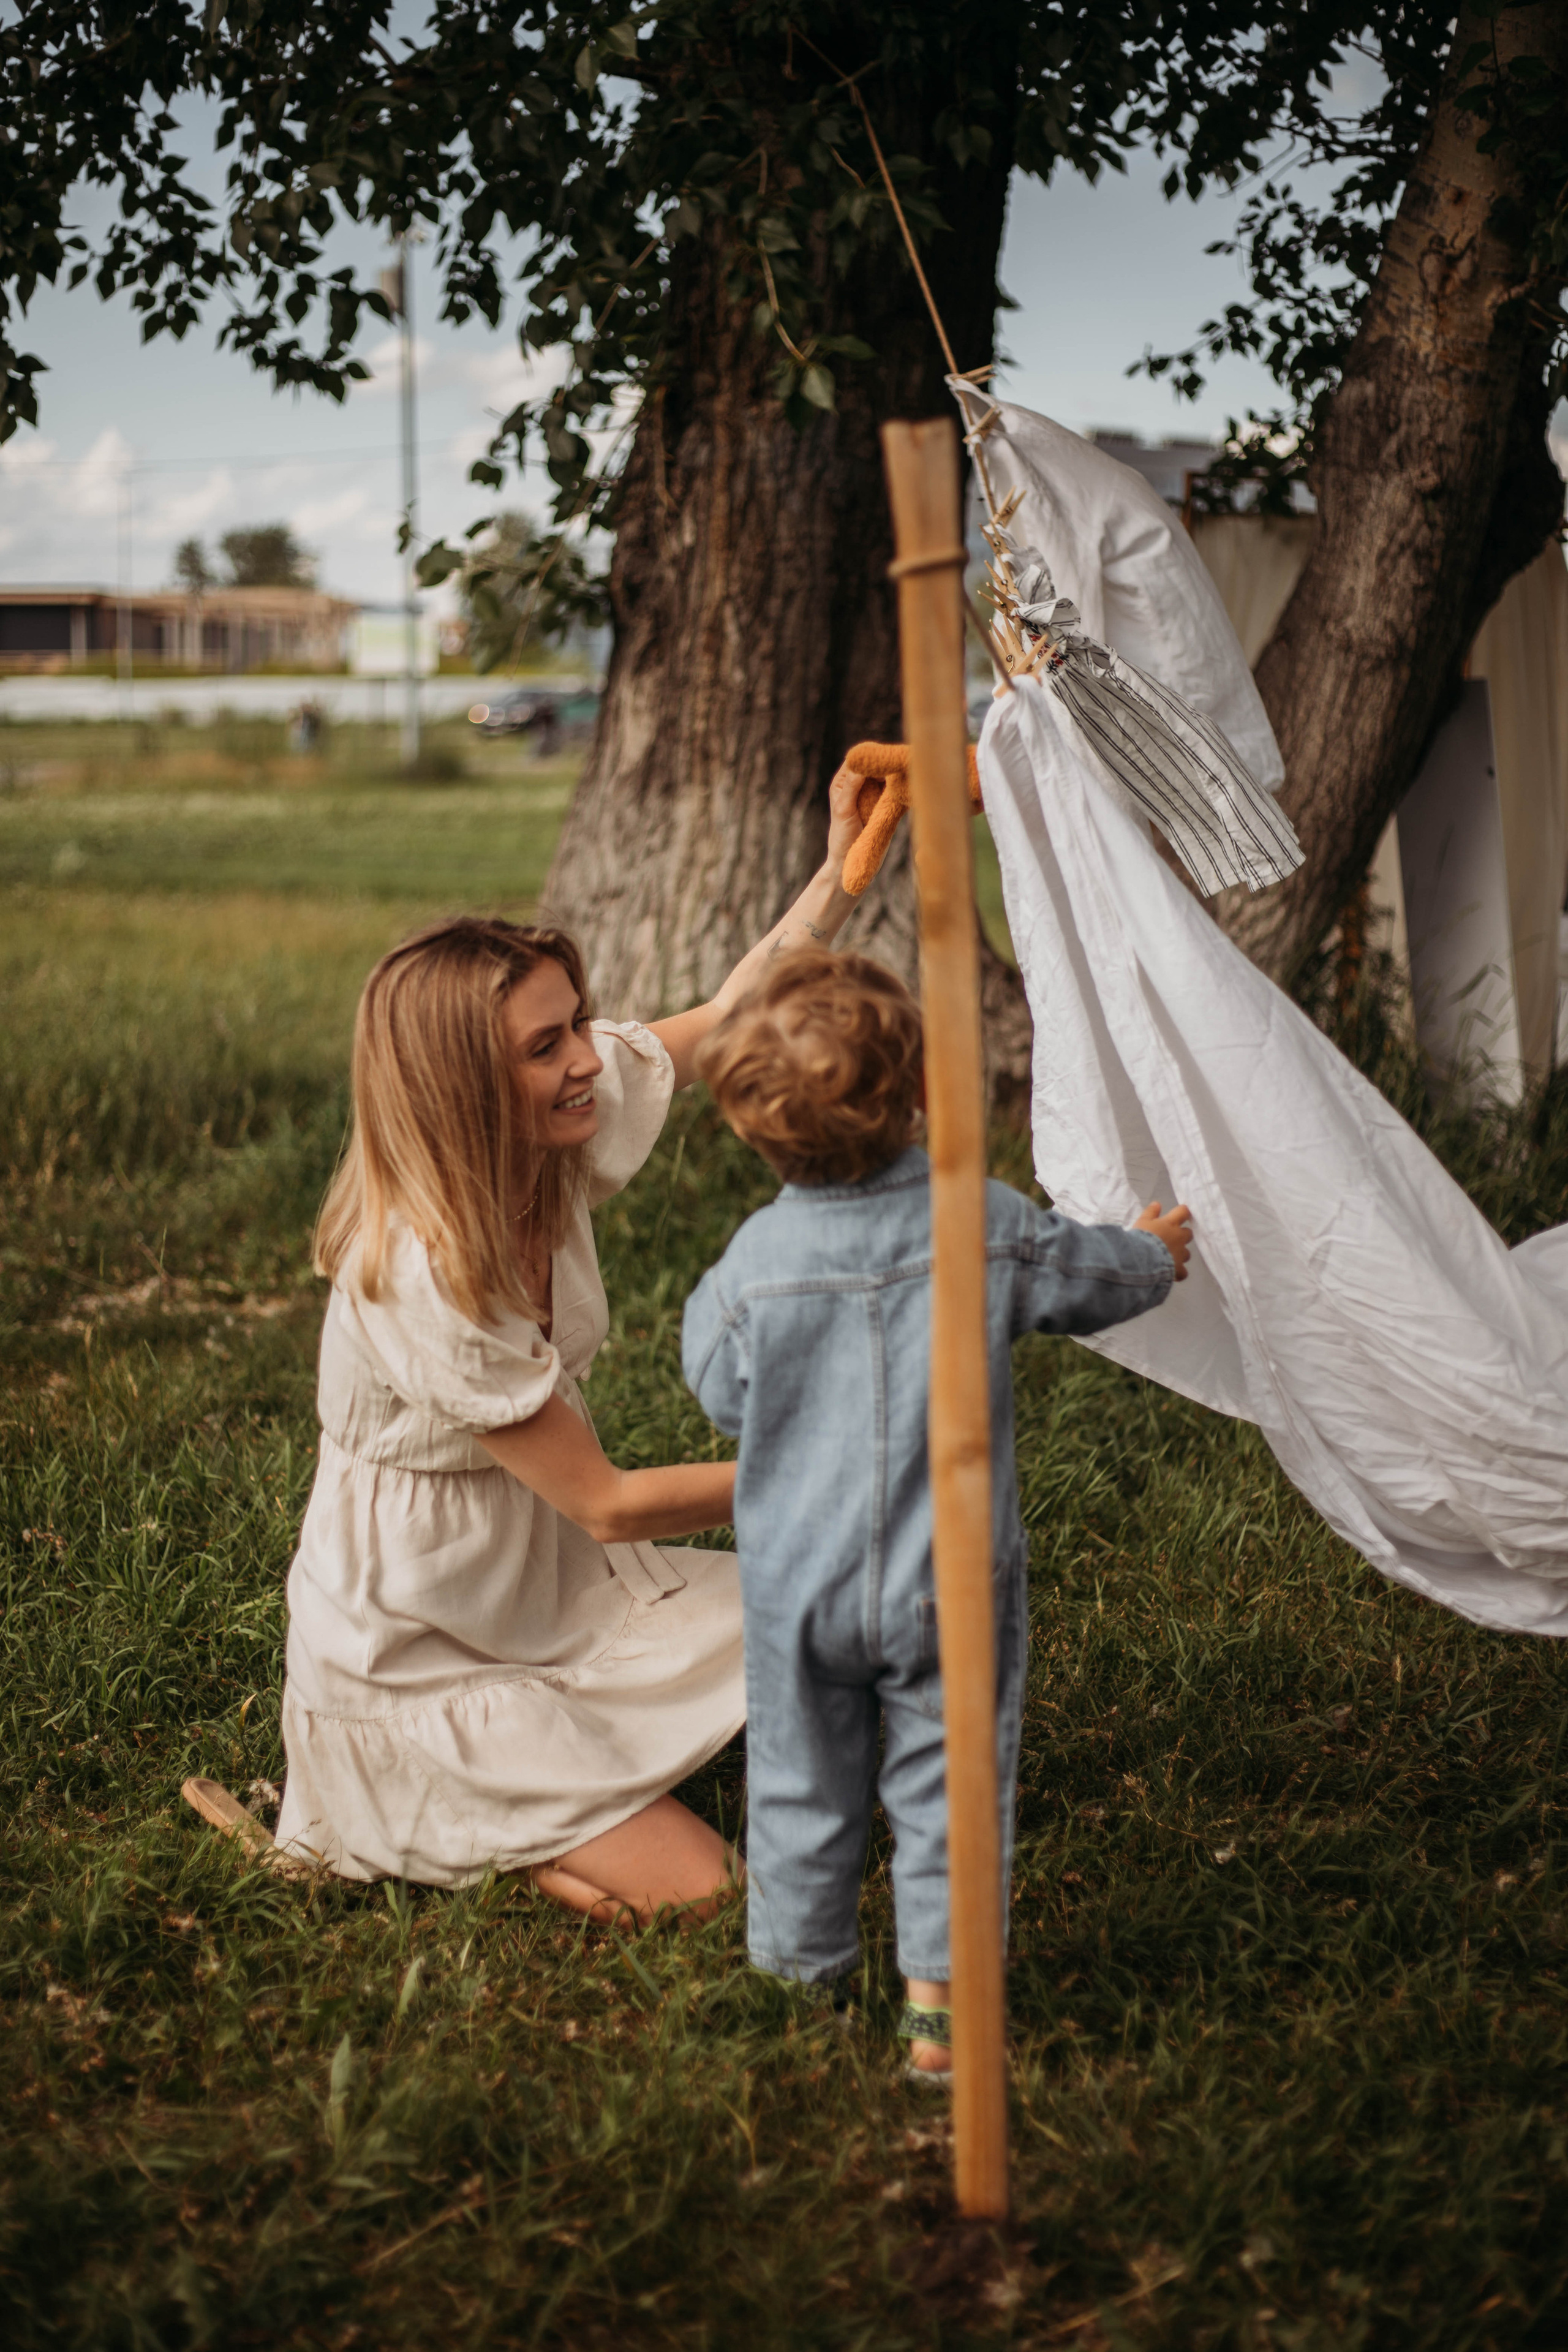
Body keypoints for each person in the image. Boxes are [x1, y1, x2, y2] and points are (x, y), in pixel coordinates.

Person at [273, 769, 873, 1920]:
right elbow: (602, 1499)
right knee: (712, 1896)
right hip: (415, 1643)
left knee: (827, 1621)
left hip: (540, 1585)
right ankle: (464, 1818)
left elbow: (730, 1021)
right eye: (547, 1046)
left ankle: (535, 1798)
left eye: (578, 1023)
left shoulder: (550, 1141)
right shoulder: (422, 1268)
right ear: (463, 1084)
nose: (589, 1058)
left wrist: (842, 869)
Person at [680, 951, 1191, 2075]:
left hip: (796, 1588)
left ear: (757, 1133)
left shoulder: (752, 1264)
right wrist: (1155, 1254)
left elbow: (717, 1388)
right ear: (920, 1098)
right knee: (948, 1794)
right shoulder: (980, 1218)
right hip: (944, 1582)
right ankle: (933, 2029)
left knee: (800, 1786)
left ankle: (798, 1999)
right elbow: (1090, 1277)